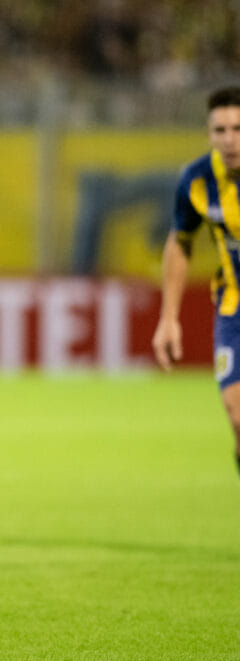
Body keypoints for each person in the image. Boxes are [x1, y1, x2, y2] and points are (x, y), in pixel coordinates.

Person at [153, 85, 240, 476]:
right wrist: (169, 317)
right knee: (237, 416)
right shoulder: (198, 179)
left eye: (238, 129)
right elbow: (180, 241)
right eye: (219, 130)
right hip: (234, 304)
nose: (229, 140)